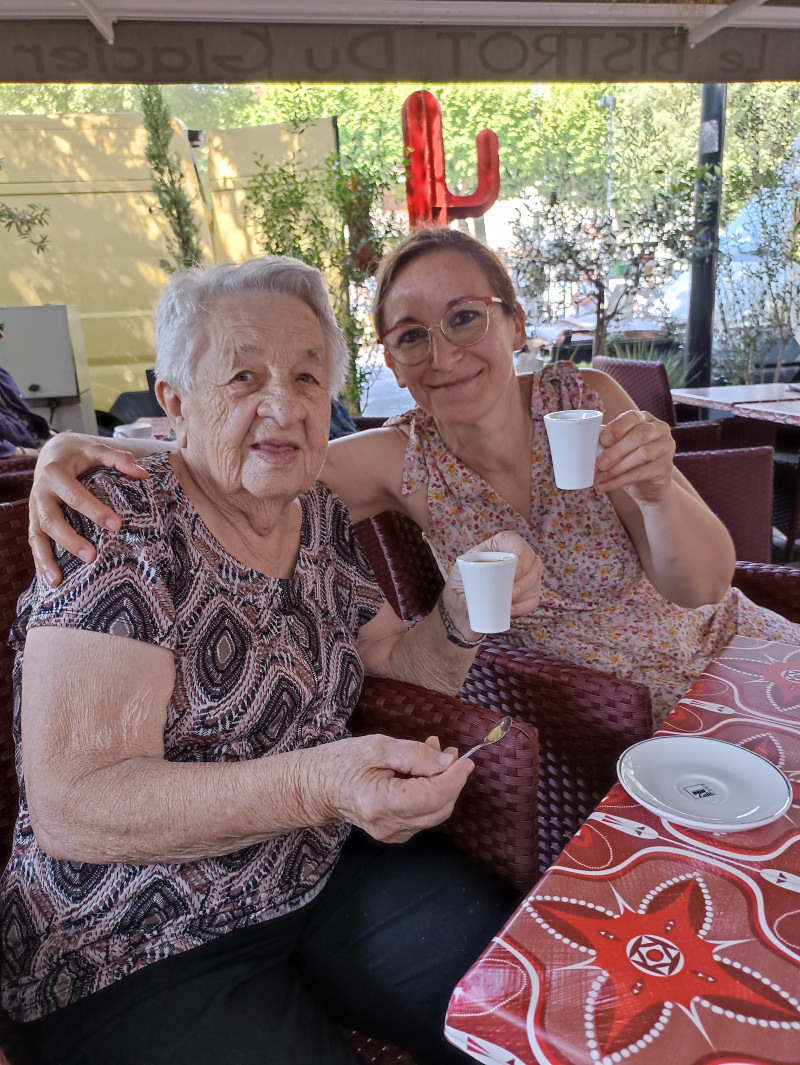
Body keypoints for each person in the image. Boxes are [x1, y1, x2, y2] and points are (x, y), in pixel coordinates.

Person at [1, 256, 542, 1065]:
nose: (283, 405)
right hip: (132, 936)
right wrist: (321, 780)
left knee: (519, 997)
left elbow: (396, 660)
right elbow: (74, 805)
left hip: (309, 870)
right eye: (244, 376)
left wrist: (458, 619)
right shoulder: (119, 523)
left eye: (306, 375)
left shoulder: (315, 512)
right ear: (174, 401)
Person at [27, 228, 800, 722]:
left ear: (513, 322)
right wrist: (64, 449)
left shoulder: (584, 399)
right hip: (613, 712)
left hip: (735, 653)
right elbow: (245, 460)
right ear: (391, 361)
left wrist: (659, 487)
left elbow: (701, 587)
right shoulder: (403, 460)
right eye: (410, 336)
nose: (444, 351)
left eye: (466, 315)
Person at [0, 322, 53, 459]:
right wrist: (36, 455)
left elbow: (25, 419)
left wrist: (56, 438)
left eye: (1, 327)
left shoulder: (2, 375)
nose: (2, 335)